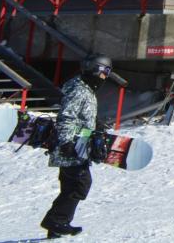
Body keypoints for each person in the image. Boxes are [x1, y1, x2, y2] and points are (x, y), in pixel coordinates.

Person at [41, 52, 112, 238]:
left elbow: (81, 116)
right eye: (105, 72)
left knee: (71, 185)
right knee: (80, 183)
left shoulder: (86, 89)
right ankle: (56, 220)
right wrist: (66, 143)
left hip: (79, 145)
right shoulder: (79, 89)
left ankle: (56, 227)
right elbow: (66, 117)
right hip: (70, 146)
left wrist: (96, 126)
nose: (106, 77)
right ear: (95, 69)